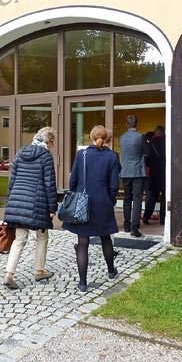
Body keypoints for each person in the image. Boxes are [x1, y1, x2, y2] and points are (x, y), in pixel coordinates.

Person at [64, 125, 121, 293]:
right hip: (103, 202)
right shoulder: (112, 157)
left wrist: (75, 195)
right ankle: (111, 271)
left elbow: (73, 180)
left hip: (83, 203)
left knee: (83, 243)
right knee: (105, 238)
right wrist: (109, 201)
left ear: (91, 137)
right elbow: (114, 186)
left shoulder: (82, 155)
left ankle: (82, 283)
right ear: (107, 139)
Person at [2, 127, 58, 290]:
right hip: (37, 203)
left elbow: (12, 181)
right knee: (42, 236)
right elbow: (49, 184)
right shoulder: (45, 156)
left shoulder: (20, 152)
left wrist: (11, 201)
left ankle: (9, 274)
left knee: (20, 239)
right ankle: (39, 270)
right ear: (49, 141)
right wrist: (52, 208)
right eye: (52, 142)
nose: (53, 145)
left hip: (18, 201)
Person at [119, 115, 148, 237]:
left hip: (125, 171)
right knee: (137, 199)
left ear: (127, 124)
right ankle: (134, 228)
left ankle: (126, 225)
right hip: (137, 171)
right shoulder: (140, 136)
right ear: (137, 124)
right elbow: (146, 152)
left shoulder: (122, 137)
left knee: (127, 198)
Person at [143, 125, 166, 225]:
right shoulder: (168, 142)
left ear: (155, 132)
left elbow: (146, 160)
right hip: (165, 173)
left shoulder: (150, 143)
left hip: (153, 173)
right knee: (165, 198)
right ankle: (163, 220)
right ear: (164, 132)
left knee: (152, 197)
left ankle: (146, 217)